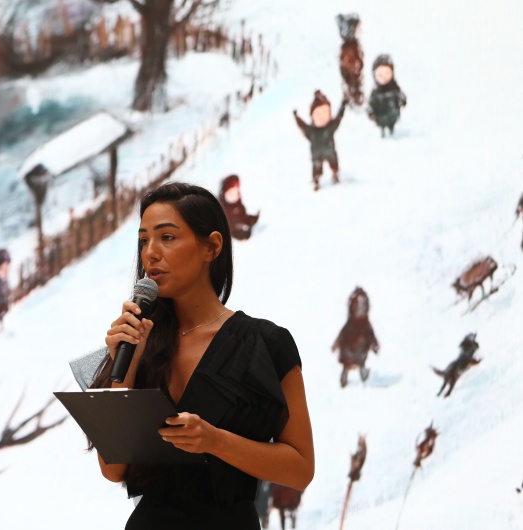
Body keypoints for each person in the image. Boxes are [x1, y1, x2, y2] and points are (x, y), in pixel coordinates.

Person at [89, 182, 314, 529]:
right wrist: (125, 369)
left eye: (167, 237)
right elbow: (113, 469)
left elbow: (300, 469)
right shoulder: (138, 341)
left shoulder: (266, 343)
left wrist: (215, 441)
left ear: (212, 246)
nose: (150, 253)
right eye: (144, 240)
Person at [293, 91, 346, 191]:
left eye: (325, 113)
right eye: (318, 114)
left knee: (334, 163)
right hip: (317, 153)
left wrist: (343, 107)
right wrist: (297, 117)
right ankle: (316, 180)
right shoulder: (311, 131)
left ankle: (335, 174)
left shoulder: (330, 127)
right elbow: (302, 126)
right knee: (317, 166)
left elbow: (338, 118)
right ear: (312, 116)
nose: (322, 117)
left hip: (330, 150)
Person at [367, 54, 407, 138]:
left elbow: (401, 96)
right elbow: (371, 103)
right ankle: (383, 132)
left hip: (392, 115)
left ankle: (392, 130)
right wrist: (371, 113)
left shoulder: (394, 88)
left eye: (387, 73)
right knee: (382, 126)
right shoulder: (375, 92)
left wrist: (402, 100)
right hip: (380, 117)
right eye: (380, 75)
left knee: (392, 126)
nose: (384, 77)